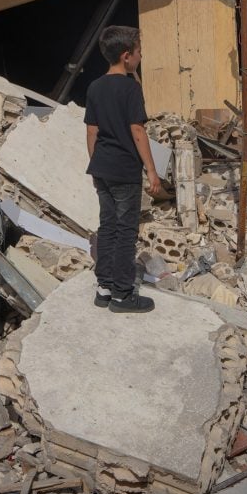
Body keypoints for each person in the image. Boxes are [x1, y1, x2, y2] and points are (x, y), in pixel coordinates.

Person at [85, 26, 162, 313]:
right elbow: (138, 131)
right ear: (127, 56)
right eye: (139, 52)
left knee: (108, 227)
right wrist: (151, 171)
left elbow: (92, 132)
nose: (142, 57)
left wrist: (96, 164)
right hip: (124, 171)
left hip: (101, 168)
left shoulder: (94, 87)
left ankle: (104, 288)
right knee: (126, 230)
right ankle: (122, 295)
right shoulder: (130, 88)